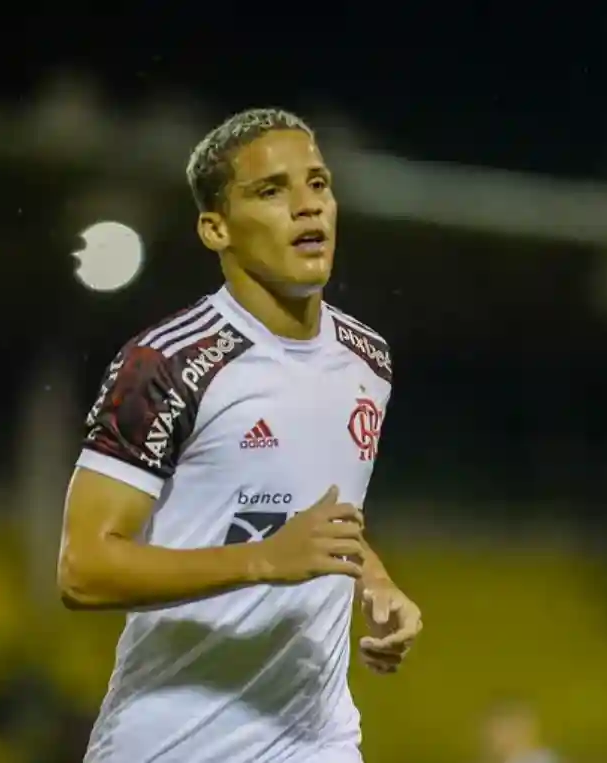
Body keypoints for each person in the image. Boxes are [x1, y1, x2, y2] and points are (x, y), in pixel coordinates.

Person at [58, 108, 422, 763]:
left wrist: (378, 583)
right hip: (173, 742)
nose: (308, 207)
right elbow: (83, 568)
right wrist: (261, 560)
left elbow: (312, 511)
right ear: (215, 227)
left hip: (316, 739)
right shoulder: (166, 364)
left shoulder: (368, 358)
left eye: (318, 183)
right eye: (272, 191)